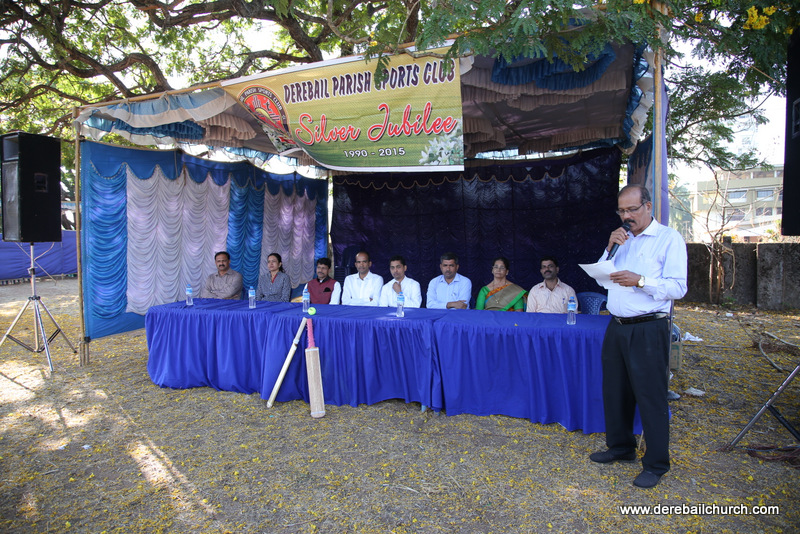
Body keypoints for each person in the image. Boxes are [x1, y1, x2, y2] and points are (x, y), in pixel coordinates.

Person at [588, 184, 687, 489]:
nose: (626, 216)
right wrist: (609, 248)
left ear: (648, 206)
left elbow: (678, 287)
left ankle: (656, 463)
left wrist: (641, 281)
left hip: (648, 327)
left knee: (650, 396)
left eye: (632, 209)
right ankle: (621, 447)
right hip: (617, 325)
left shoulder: (668, 239)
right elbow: (603, 282)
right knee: (615, 391)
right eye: (621, 211)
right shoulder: (622, 240)